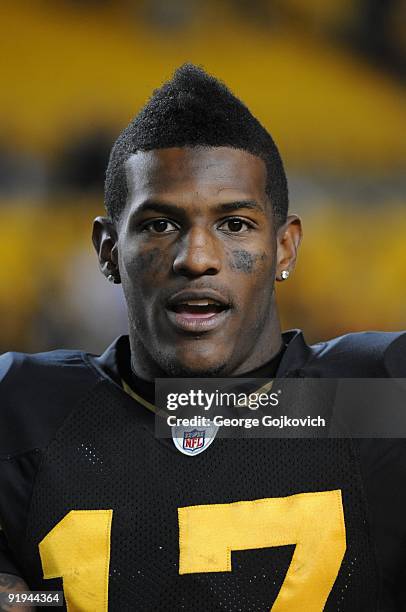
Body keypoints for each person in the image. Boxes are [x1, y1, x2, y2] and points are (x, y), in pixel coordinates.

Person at [0, 64, 405, 611]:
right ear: (108, 250)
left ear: (285, 248)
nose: (196, 258)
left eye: (234, 223)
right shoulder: (24, 409)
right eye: (158, 224)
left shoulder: (377, 397)